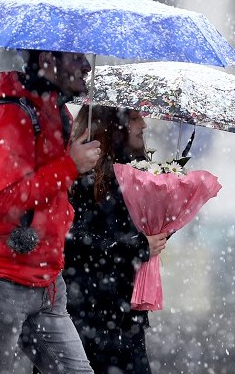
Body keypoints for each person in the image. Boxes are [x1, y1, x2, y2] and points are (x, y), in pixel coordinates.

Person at [0, 49, 102, 373]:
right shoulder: (8, 113)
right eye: (76, 58)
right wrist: (70, 165)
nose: (86, 66)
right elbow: (6, 199)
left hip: (47, 283)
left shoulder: (56, 112)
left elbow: (50, 193)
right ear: (48, 59)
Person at [63, 104, 169, 374]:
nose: (143, 125)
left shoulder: (136, 176)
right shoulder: (79, 178)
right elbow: (71, 241)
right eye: (135, 118)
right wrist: (137, 246)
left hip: (123, 317)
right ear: (113, 125)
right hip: (83, 316)